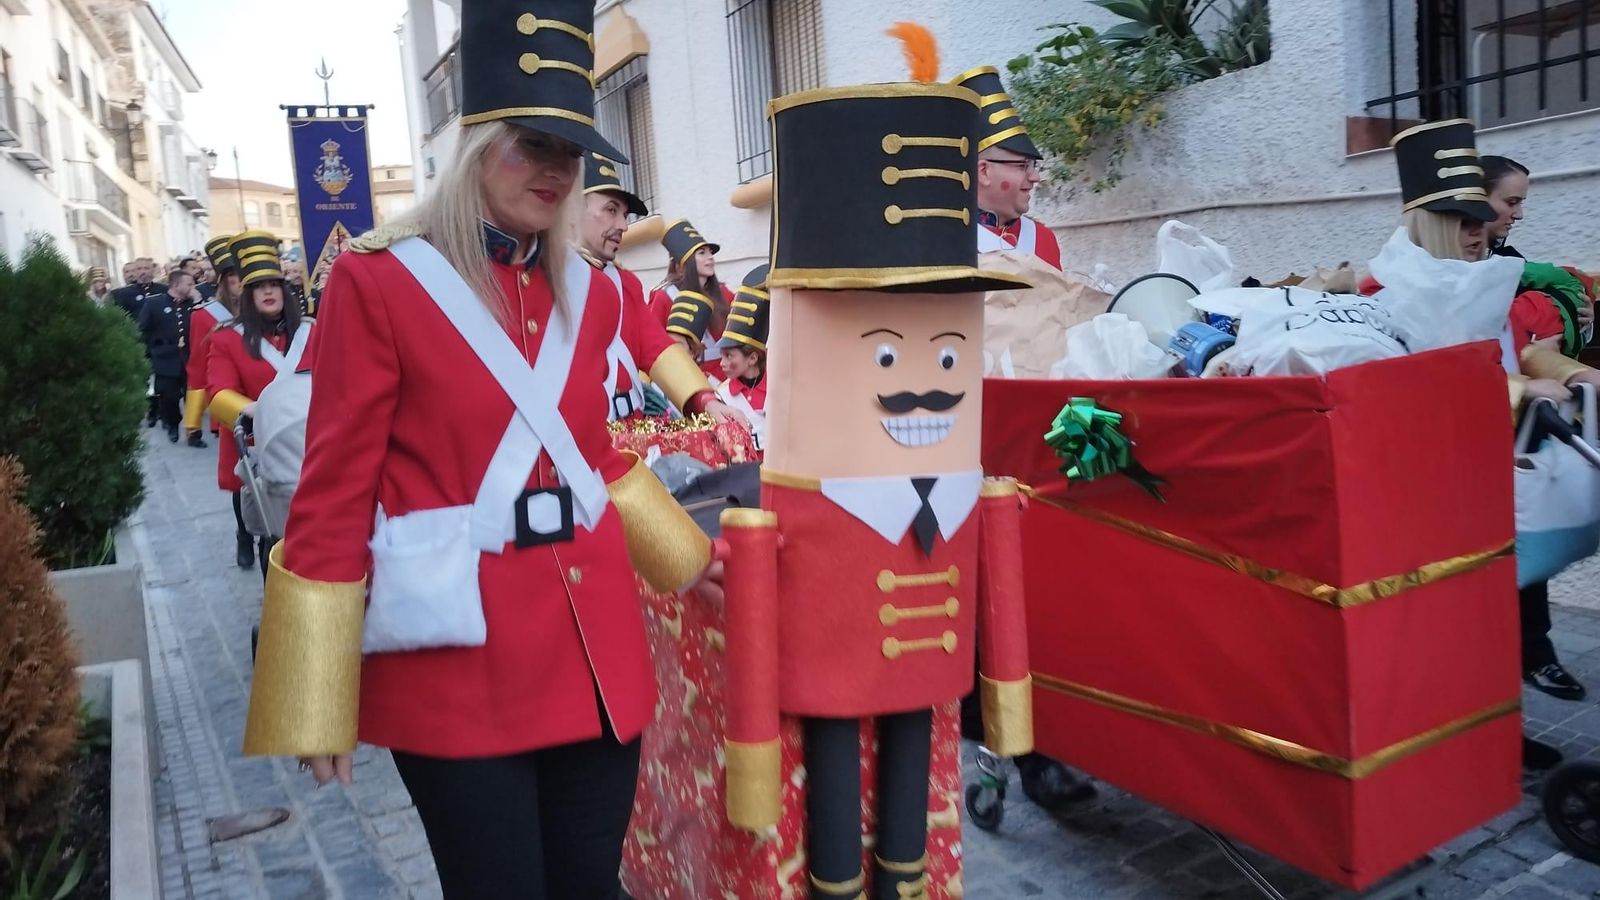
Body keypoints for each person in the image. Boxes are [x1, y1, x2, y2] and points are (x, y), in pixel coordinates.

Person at [240, 3, 723, 896]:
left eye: (569, 151)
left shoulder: (595, 290)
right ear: (476, 144)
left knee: (591, 886)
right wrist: (312, 691)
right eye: (530, 143)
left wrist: (688, 560)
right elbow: (335, 491)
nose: (555, 170)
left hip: (596, 658)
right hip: (459, 671)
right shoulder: (378, 281)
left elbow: (596, 461)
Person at [1369, 120, 1600, 770]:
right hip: (1431, 489)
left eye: (1480, 218)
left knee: (1493, 616)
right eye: (1459, 220)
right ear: (1427, 222)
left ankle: (1494, 729)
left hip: (1497, 474)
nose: (1477, 232)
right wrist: (1521, 395)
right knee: (1454, 620)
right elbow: (1419, 386)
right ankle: (1459, 736)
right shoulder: (1390, 297)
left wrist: (1571, 373)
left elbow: (1516, 351)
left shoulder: (1483, 279)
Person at [575, 152, 739, 423]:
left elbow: (658, 348)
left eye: (625, 215)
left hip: (635, 428)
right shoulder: (546, 279)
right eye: (611, 210)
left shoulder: (625, 283)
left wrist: (705, 399)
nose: (624, 226)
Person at [207, 231, 310, 574]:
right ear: (247, 295)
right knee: (276, 542)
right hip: (262, 451)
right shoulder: (226, 339)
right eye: (259, 286)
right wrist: (252, 410)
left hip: (311, 445)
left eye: (274, 284)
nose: (268, 291)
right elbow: (218, 395)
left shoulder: (312, 331)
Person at [954, 65, 1063, 270]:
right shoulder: (944, 240)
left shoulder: (1042, 239)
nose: (1035, 177)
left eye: (1033, 165)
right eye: (1023, 166)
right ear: (984, 171)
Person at [648, 218, 735, 376]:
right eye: (702, 253)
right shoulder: (664, 297)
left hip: (728, 378)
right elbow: (653, 345)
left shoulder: (724, 293)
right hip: (691, 379)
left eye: (710, 252)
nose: (710, 257)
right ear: (681, 265)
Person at [185, 235, 243, 451]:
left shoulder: (265, 311)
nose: (241, 280)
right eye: (234, 275)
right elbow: (197, 368)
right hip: (228, 402)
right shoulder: (204, 315)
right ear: (223, 280)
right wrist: (193, 422)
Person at [137, 269, 194, 443]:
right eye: (189, 284)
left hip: (189, 356)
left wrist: (198, 299)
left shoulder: (193, 304)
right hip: (164, 356)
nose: (193, 287)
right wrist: (149, 353)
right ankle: (172, 424)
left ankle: (194, 433)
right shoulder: (155, 304)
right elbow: (141, 329)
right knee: (168, 396)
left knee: (193, 396)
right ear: (176, 285)